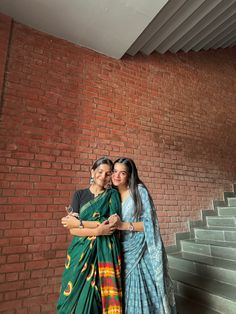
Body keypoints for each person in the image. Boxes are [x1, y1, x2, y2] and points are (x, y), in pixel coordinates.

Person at [57, 157, 122, 314]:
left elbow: (111, 225)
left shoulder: (112, 195)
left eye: (108, 174)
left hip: (102, 254)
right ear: (92, 172)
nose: (103, 176)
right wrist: (97, 230)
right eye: (100, 172)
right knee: (70, 295)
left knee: (96, 298)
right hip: (79, 252)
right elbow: (73, 230)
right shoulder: (79, 195)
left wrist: (80, 223)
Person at [111, 157, 176, 314]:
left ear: (130, 175)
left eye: (123, 173)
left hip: (138, 251)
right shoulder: (110, 194)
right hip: (116, 251)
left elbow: (150, 223)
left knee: (138, 289)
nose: (117, 176)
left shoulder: (139, 191)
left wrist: (123, 226)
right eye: (114, 171)